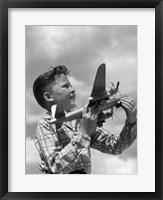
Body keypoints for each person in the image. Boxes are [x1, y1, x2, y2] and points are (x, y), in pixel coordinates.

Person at [33, 65, 137, 174]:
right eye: (65, 86)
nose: (73, 89)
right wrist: (84, 132)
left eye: (71, 86)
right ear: (49, 97)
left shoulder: (79, 120)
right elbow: (55, 167)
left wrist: (131, 121)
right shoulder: (45, 124)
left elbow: (115, 146)